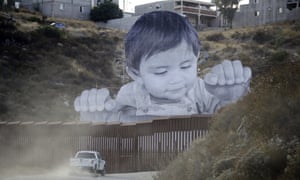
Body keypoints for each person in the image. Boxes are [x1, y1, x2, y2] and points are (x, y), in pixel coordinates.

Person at [74, 11, 251, 122]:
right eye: (161, 71)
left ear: (196, 58)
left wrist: (232, 98)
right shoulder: (130, 94)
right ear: (136, 74)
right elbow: (116, 125)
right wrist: (97, 115)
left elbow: (232, 124)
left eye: (185, 66)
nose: (177, 79)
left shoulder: (204, 91)